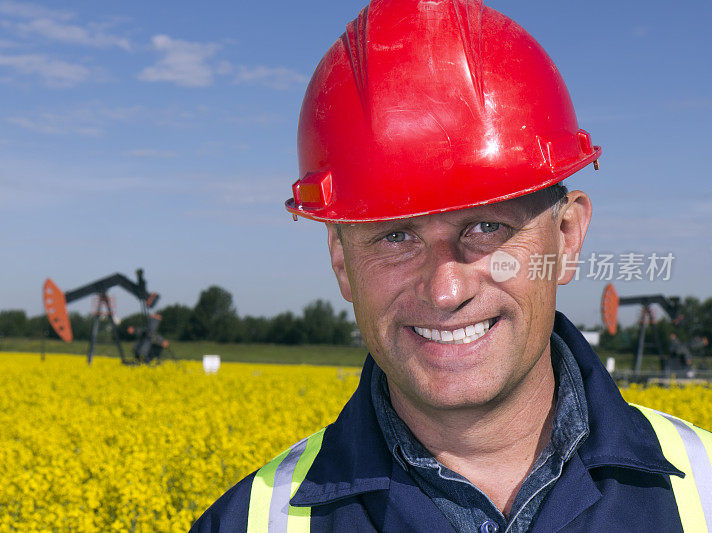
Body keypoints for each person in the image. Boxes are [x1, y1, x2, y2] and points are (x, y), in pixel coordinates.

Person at [192, 0, 712, 531]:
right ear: (342, 263)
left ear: (566, 237)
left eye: (487, 228)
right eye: (395, 237)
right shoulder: (251, 522)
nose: (445, 290)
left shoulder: (705, 488)